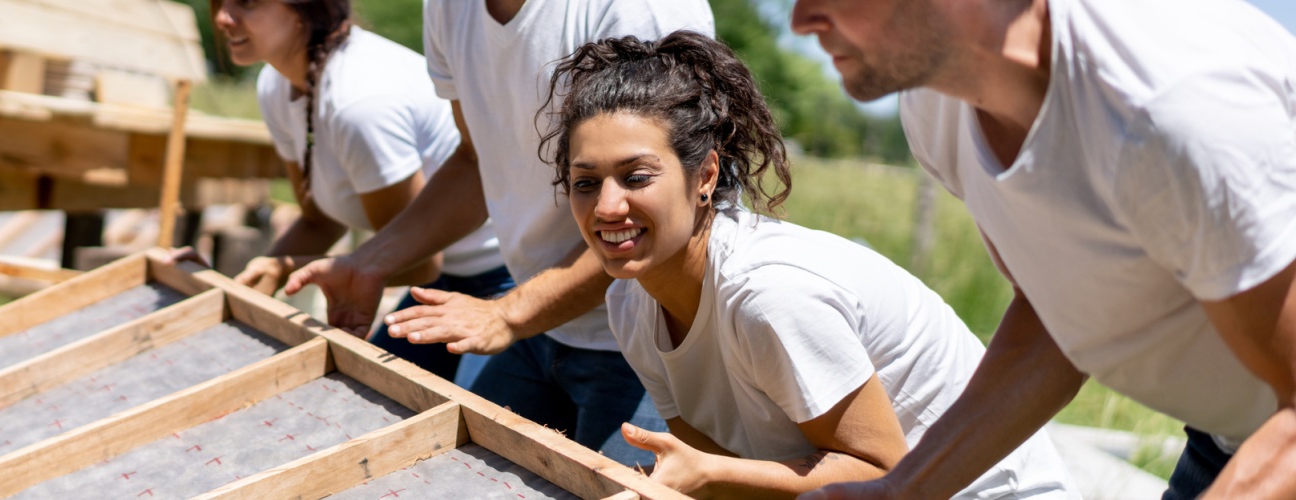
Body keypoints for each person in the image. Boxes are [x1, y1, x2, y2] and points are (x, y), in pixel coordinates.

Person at [783, 0, 1296, 498]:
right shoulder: (936, 108)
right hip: (1237, 441)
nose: (801, 20)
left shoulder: (1176, 109)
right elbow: (1056, 313)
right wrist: (904, 490)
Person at [544, 31, 1073, 498]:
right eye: (586, 183)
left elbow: (880, 472)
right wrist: (702, 475)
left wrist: (708, 476)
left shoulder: (768, 294)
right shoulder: (630, 304)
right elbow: (711, 459)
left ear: (705, 176)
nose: (607, 207)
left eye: (636, 177)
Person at [282, 0, 713, 464]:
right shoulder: (447, 8)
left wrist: (508, 315)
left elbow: (648, 216)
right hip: (540, 321)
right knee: (450, 474)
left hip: (653, 338)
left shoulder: (636, 10)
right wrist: (367, 264)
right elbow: (474, 159)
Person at [210, 0, 510, 383]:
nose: (222, 17)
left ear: (305, 9)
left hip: (502, 278)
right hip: (439, 282)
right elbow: (321, 220)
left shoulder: (361, 103)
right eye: (218, 1)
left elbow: (419, 261)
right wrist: (243, 289)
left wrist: (290, 269)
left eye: (247, 3)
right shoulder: (275, 84)